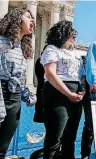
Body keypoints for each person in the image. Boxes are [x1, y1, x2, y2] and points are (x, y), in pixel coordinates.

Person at [41, 20, 85, 159]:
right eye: (72, 34)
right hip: (58, 95)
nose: (74, 37)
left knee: (70, 138)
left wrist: (82, 90)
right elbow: (50, 73)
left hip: (76, 95)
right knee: (55, 137)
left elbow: (82, 74)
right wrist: (68, 93)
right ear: (63, 33)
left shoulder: (75, 54)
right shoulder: (51, 49)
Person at [0, 8, 34, 158]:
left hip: (14, 97)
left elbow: (20, 78)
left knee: (3, 144)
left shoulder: (23, 47)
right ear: (16, 20)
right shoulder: (1, 41)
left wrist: (27, 95)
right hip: (1, 91)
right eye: (28, 17)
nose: (32, 20)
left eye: (32, 18)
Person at [80, 55, 94, 159]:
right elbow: (83, 78)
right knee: (89, 126)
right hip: (90, 97)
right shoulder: (86, 60)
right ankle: (85, 155)